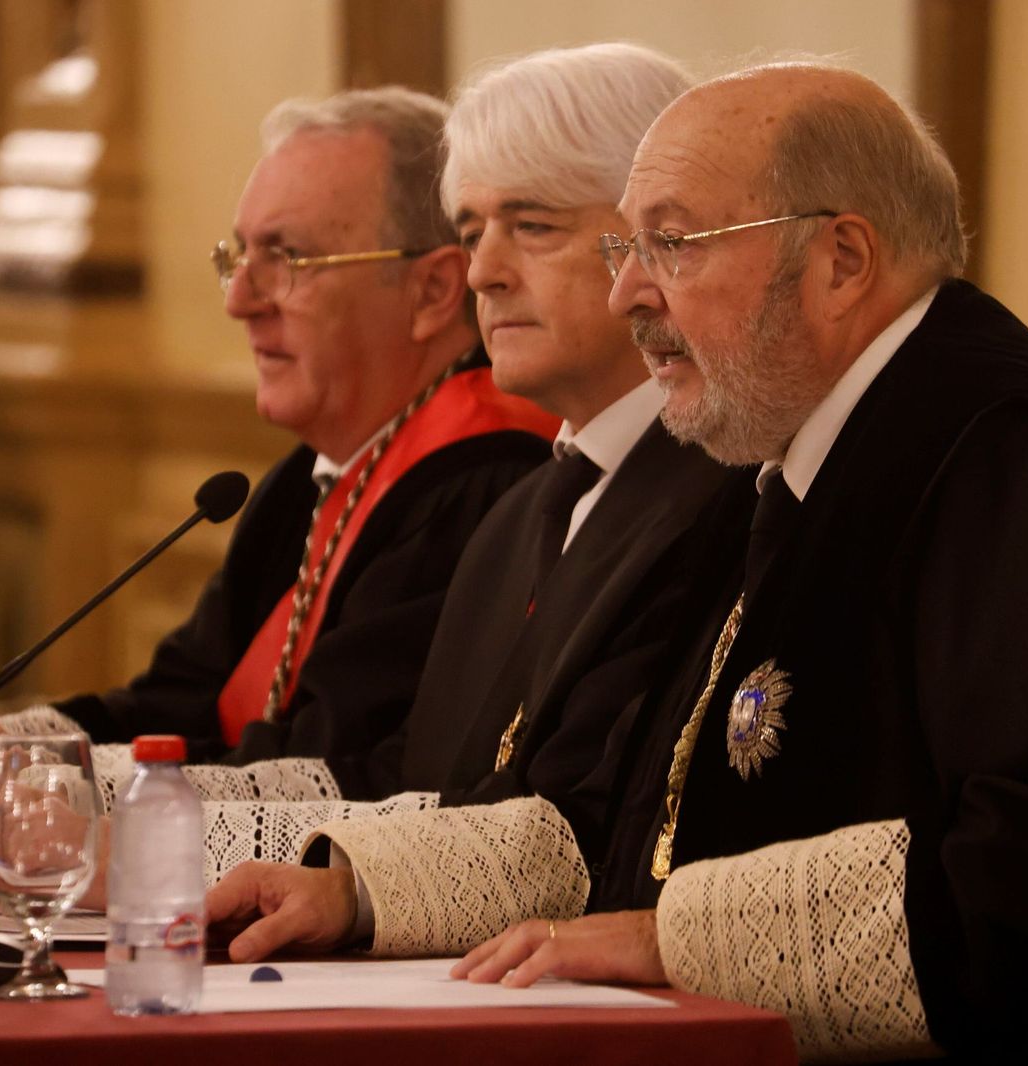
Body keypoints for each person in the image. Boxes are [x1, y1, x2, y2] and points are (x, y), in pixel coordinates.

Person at [207, 62, 1028, 1063]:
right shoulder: (790, 460)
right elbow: (610, 818)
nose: (628, 292)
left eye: (672, 244)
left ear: (842, 261)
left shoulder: (1014, 459)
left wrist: (672, 940)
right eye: (627, 246)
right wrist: (355, 888)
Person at [203, 44, 757, 950]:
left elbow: (584, 831)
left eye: (531, 226)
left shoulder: (728, 493)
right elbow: (429, 788)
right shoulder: (517, 517)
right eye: (471, 232)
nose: (482, 273)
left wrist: (350, 887)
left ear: (658, 244)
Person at [0, 87, 558, 801]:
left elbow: (343, 774)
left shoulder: (486, 485)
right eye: (239, 256)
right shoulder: (308, 478)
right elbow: (183, 701)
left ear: (434, 291)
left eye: (288, 258)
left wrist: (58, 787)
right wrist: (6, 747)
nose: (240, 301)